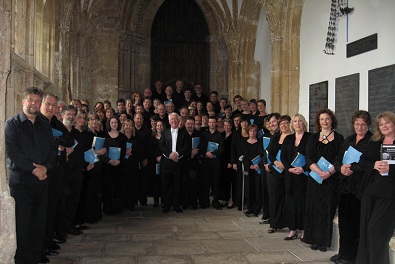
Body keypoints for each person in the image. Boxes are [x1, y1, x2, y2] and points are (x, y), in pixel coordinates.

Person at [5, 87, 57, 264]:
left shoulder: (44, 125)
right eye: (31, 100)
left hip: (41, 182)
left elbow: (52, 151)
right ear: (23, 101)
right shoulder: (12, 124)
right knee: (22, 227)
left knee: (38, 226)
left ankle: (34, 260)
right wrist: (36, 169)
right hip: (21, 182)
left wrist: (46, 168)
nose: (34, 104)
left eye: (37, 101)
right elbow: (13, 152)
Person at [328, 110, 373, 264]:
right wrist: (340, 168)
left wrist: (353, 168)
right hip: (344, 187)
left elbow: (368, 163)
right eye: (357, 124)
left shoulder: (372, 141)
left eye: (363, 124)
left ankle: (352, 256)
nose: (359, 127)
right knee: (344, 222)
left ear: (368, 125)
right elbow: (338, 157)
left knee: (355, 224)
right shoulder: (348, 140)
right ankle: (343, 252)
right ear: (353, 124)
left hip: (359, 188)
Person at [356, 111, 395, 264]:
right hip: (371, 191)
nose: (384, 126)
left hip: (389, 194)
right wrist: (373, 164)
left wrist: (390, 170)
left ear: (393, 123)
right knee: (366, 230)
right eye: (381, 124)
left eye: (387, 122)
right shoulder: (375, 141)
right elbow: (362, 162)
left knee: (376, 229)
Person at [305, 108, 344, 252]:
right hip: (315, 178)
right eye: (322, 119)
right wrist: (319, 171)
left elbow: (340, 158)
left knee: (327, 210)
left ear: (332, 120)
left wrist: (329, 172)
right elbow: (309, 157)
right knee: (314, 209)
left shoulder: (339, 138)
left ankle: (324, 241)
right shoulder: (313, 138)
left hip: (331, 180)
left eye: (327, 119)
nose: (325, 121)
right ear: (318, 122)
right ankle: (314, 239)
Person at [280, 114, 311, 241]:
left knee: (303, 203)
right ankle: (293, 229)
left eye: (300, 121)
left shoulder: (310, 137)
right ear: (292, 124)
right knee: (292, 202)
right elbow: (283, 157)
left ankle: (304, 230)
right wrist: (289, 168)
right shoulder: (288, 138)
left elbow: (312, 155)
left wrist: (303, 168)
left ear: (304, 123)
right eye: (295, 121)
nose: (297, 123)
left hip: (304, 175)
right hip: (291, 176)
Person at [266, 115, 292, 233]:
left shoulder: (293, 138)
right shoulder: (276, 137)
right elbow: (270, 153)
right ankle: (274, 223)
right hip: (276, 172)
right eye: (281, 124)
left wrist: (285, 165)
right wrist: (276, 163)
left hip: (289, 172)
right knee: (275, 198)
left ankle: (288, 223)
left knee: (288, 198)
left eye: (286, 123)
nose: (283, 126)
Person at [159, 113, 190, 213]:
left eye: (176, 119)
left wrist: (176, 154)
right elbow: (162, 146)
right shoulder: (164, 132)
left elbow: (186, 146)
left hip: (179, 162)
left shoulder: (184, 133)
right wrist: (170, 155)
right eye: (172, 119)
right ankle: (166, 206)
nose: (174, 121)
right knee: (166, 185)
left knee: (177, 185)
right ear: (169, 121)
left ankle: (177, 206)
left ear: (179, 121)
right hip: (166, 163)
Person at [102, 117, 127, 215]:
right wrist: (109, 161)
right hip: (107, 165)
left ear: (118, 124)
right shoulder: (104, 135)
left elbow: (124, 151)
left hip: (118, 165)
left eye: (115, 122)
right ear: (109, 124)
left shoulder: (122, 137)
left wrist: (119, 161)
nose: (114, 124)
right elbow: (102, 151)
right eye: (112, 122)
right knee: (107, 187)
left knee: (118, 187)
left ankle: (117, 207)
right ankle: (107, 208)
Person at [201, 116, 225, 209]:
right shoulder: (204, 135)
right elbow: (201, 147)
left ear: (216, 123)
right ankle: (205, 202)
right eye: (210, 122)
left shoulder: (220, 135)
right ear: (208, 123)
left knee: (216, 183)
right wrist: (206, 153)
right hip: (206, 162)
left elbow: (222, 149)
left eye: (213, 122)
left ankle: (215, 202)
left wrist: (213, 153)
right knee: (205, 183)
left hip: (216, 162)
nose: (211, 124)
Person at [241, 124, 264, 217]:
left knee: (257, 189)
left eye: (254, 131)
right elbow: (243, 156)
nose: (252, 133)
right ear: (248, 132)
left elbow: (262, 155)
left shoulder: (260, 142)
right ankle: (250, 208)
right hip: (249, 169)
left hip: (257, 169)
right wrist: (249, 165)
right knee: (249, 189)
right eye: (251, 131)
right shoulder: (244, 143)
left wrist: (258, 165)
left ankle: (257, 209)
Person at [182, 117, 201, 210]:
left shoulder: (198, 134)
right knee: (185, 183)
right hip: (184, 162)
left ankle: (194, 202)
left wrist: (196, 152)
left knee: (194, 183)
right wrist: (190, 152)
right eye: (188, 124)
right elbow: (180, 148)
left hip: (195, 163)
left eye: (192, 124)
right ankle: (185, 202)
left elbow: (202, 147)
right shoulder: (181, 134)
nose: (190, 125)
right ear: (185, 124)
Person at [230, 116, 249, 210]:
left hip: (248, 161)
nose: (244, 124)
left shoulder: (251, 133)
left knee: (248, 182)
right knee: (239, 182)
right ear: (240, 124)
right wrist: (233, 162)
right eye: (242, 122)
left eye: (246, 122)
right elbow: (233, 149)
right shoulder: (236, 134)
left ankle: (247, 201)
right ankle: (239, 202)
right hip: (238, 161)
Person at [120, 119, 139, 211]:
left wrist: (132, 151)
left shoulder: (136, 138)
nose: (128, 127)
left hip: (133, 163)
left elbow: (139, 150)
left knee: (132, 184)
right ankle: (123, 203)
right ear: (123, 127)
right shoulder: (121, 137)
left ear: (132, 127)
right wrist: (125, 152)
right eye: (126, 125)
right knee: (123, 184)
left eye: (130, 125)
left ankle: (131, 203)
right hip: (123, 163)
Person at [220, 118, 236, 208]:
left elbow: (233, 150)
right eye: (225, 125)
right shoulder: (221, 135)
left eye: (228, 125)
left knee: (230, 182)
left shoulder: (234, 135)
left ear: (231, 126)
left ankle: (231, 199)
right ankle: (224, 198)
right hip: (222, 161)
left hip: (230, 161)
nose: (226, 127)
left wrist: (231, 161)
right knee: (223, 181)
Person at [151, 120, 165, 207]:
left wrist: (162, 157)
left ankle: (164, 200)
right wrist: (156, 157)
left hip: (164, 161)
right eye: (158, 125)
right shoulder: (152, 137)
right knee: (155, 182)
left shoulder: (166, 137)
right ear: (155, 127)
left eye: (161, 125)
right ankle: (156, 201)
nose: (159, 127)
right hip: (154, 162)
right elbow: (150, 149)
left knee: (164, 181)